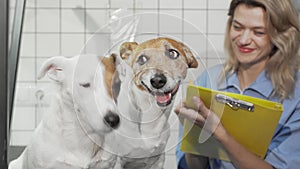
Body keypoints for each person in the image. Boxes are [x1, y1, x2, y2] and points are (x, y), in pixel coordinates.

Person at [175, 0, 300, 168]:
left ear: (280, 36)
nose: (243, 40)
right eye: (238, 27)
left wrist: (220, 134)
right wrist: (193, 134)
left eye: (259, 32)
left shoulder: (295, 94)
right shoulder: (209, 80)